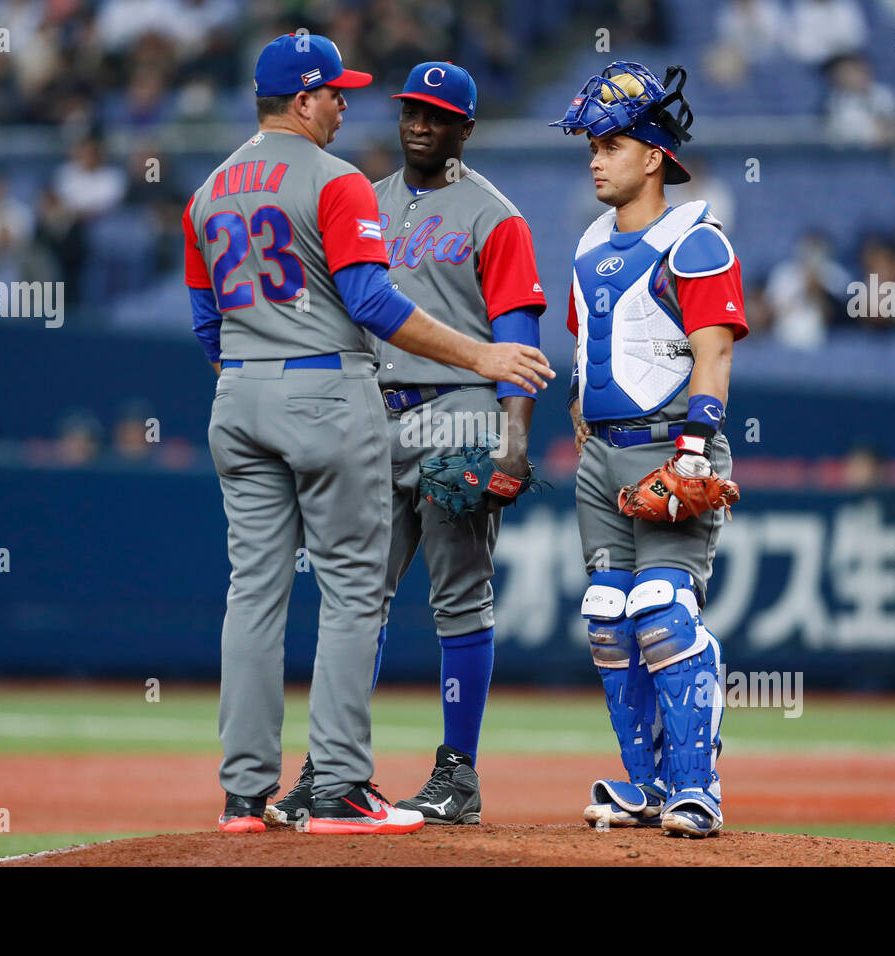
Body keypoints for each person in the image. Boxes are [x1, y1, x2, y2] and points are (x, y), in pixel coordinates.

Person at [184, 34, 552, 837]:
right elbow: (372, 305)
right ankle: (334, 776)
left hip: (446, 410)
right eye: (408, 109)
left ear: (465, 127)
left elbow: (208, 325)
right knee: (359, 596)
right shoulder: (348, 186)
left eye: (438, 114)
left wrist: (511, 435)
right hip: (354, 407)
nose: (416, 122)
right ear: (307, 99)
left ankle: (431, 772)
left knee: (419, 595)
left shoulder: (209, 190)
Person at [552, 62, 747, 838]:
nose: (595, 158)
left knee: (662, 611)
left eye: (610, 143)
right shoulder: (589, 243)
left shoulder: (695, 240)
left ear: (654, 154)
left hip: (672, 446)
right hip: (602, 459)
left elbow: (715, 353)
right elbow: (590, 348)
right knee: (608, 618)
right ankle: (648, 784)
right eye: (592, 146)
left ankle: (698, 789)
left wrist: (697, 448)